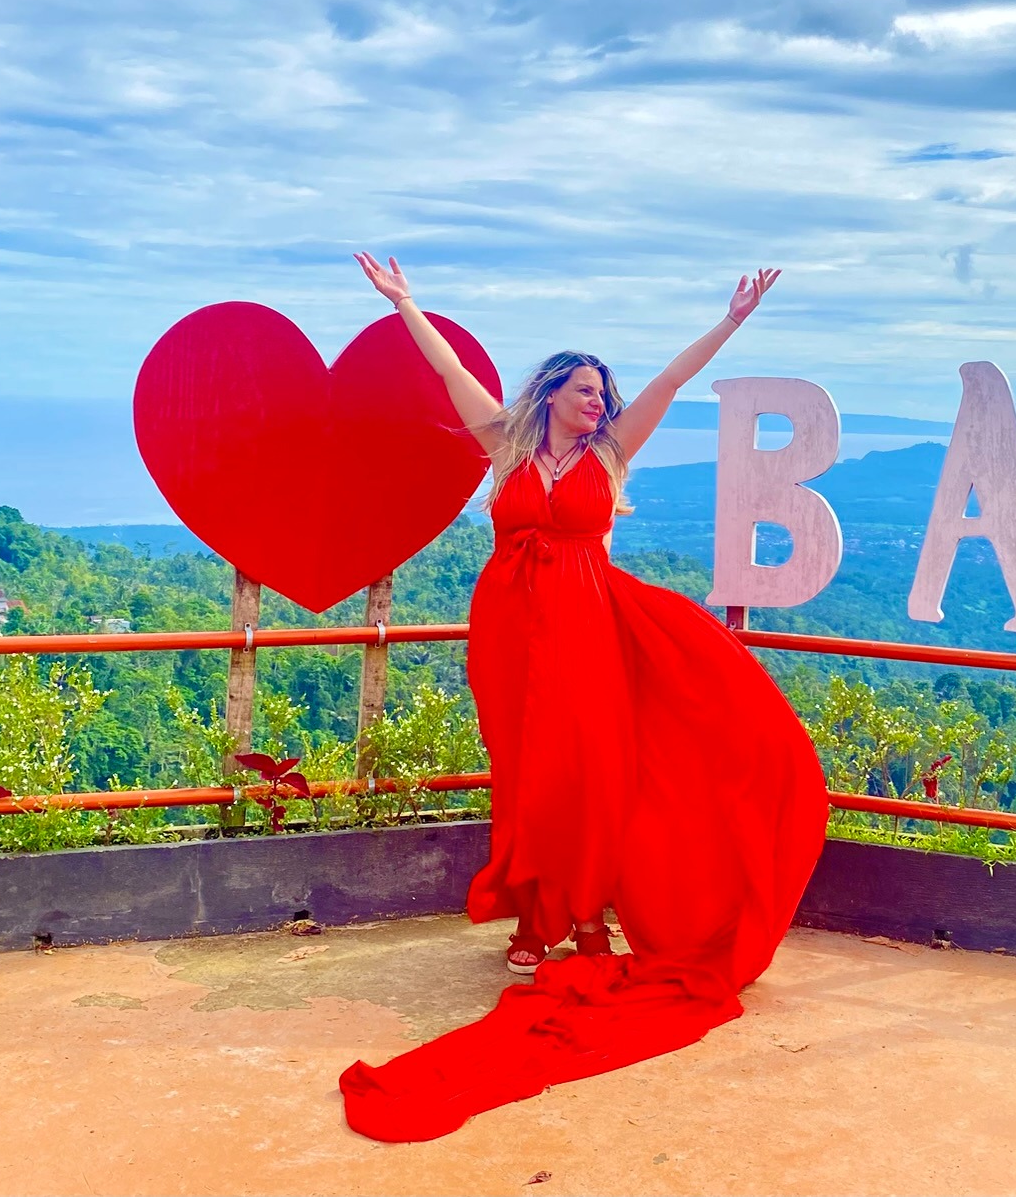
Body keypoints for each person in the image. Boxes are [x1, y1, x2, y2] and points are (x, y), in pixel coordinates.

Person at [336, 253, 830, 1143]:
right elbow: (447, 373)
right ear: (554, 394)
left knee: (592, 772)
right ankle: (537, 917)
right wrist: (406, 303)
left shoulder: (612, 450)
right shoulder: (508, 444)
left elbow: (673, 379)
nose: (599, 401)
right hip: (509, 628)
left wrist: (732, 322)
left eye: (604, 392)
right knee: (527, 771)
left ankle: (591, 920)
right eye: (586, 390)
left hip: (590, 627)